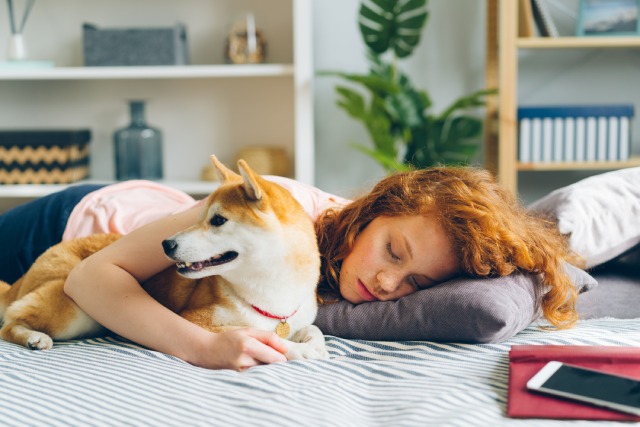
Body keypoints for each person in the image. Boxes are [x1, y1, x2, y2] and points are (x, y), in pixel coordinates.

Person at [0, 167, 581, 370]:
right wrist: (201, 348)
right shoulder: (280, 209)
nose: (386, 284)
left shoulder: (343, 279)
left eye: (415, 284)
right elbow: (88, 279)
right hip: (73, 226)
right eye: (393, 253)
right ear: (370, 213)